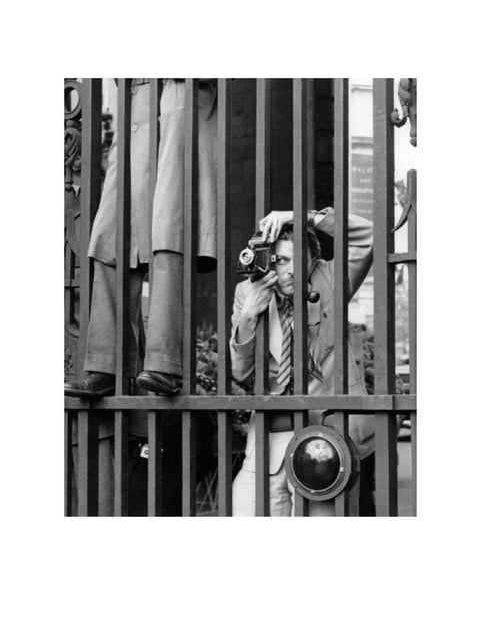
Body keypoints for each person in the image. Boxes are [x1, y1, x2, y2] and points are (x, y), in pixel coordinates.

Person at [65, 78, 218, 515]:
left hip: (178, 95)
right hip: (136, 108)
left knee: (169, 232)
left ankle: (164, 364)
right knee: (110, 235)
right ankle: (106, 364)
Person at [230, 207, 375, 516]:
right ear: (268, 260)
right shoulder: (247, 291)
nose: (290, 270)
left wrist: (302, 216)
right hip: (268, 441)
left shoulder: (330, 278)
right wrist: (248, 317)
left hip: (327, 439)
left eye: (298, 260)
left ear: (311, 261)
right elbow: (240, 373)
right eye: (281, 260)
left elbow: (368, 237)